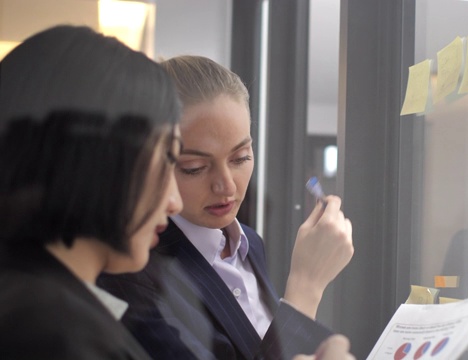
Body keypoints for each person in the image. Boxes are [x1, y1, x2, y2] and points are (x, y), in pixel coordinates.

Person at [98, 55, 355, 360]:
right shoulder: (129, 274)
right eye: (194, 167)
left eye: (240, 158)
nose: (227, 186)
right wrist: (306, 286)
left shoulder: (249, 243)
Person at [0, 25, 183, 359]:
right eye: (169, 158)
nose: (175, 202)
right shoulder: (55, 333)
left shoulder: (33, 303)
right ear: (105, 157)